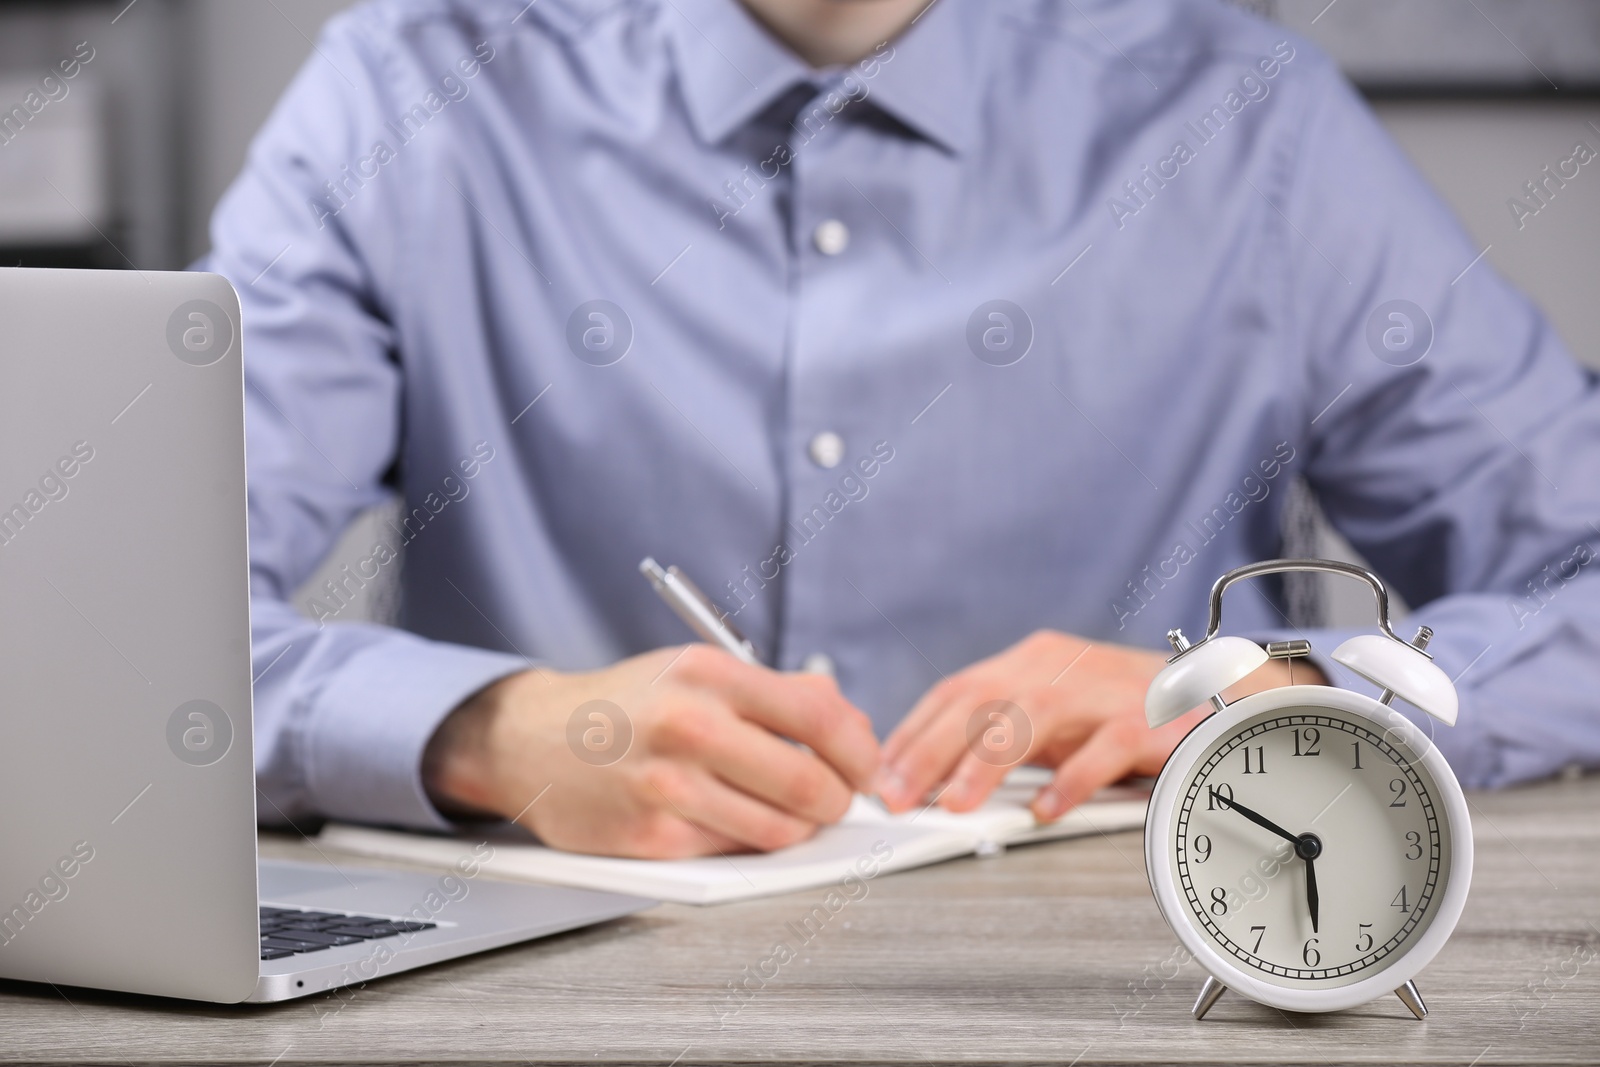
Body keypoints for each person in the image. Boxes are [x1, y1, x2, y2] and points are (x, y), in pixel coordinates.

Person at [207, 0, 1600, 858]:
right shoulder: (400, 99)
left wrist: (1279, 698)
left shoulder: (1256, 127)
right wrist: (479, 734)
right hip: (526, 1008)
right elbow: (92, 629)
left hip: (1136, 1004)